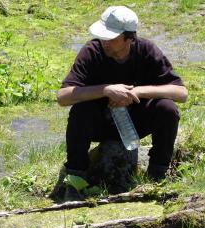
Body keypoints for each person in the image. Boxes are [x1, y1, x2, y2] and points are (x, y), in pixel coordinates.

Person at [53, 6, 188, 200]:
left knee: (167, 109)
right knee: (81, 110)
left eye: (111, 38)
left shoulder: (146, 50)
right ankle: (75, 179)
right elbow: (63, 97)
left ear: (129, 38)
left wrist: (136, 92)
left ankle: (157, 174)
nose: (105, 42)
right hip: (100, 123)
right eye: (103, 36)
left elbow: (181, 93)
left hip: (134, 125)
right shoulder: (92, 51)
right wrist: (106, 89)